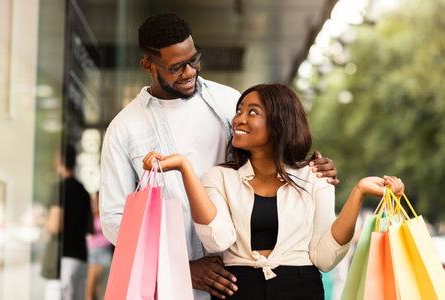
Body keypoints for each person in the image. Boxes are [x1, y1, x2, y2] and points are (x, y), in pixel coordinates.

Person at [99, 13, 338, 299]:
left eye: (194, 59)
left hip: (240, 279)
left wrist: (310, 167)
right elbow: (115, 219)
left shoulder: (228, 102)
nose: (189, 72)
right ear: (148, 66)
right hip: (172, 285)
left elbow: (270, 154)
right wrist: (181, 268)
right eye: (176, 68)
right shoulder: (124, 128)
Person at [142, 83, 405, 299]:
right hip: (238, 290)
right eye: (239, 110)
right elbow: (217, 240)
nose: (238, 119)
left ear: (280, 122)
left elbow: (324, 257)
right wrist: (184, 168)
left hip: (301, 289)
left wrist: (358, 193)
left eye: (252, 112)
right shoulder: (220, 177)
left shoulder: (314, 176)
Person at [42, 144, 94, 300]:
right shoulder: (83, 191)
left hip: (62, 259)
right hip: (80, 257)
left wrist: (42, 220)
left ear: (57, 161)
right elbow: (90, 227)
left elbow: (55, 225)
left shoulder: (59, 188)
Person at [86, 192, 113, 300]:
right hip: (92, 251)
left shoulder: (106, 214)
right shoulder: (91, 215)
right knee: (90, 285)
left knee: (101, 286)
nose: (95, 203)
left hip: (104, 250)